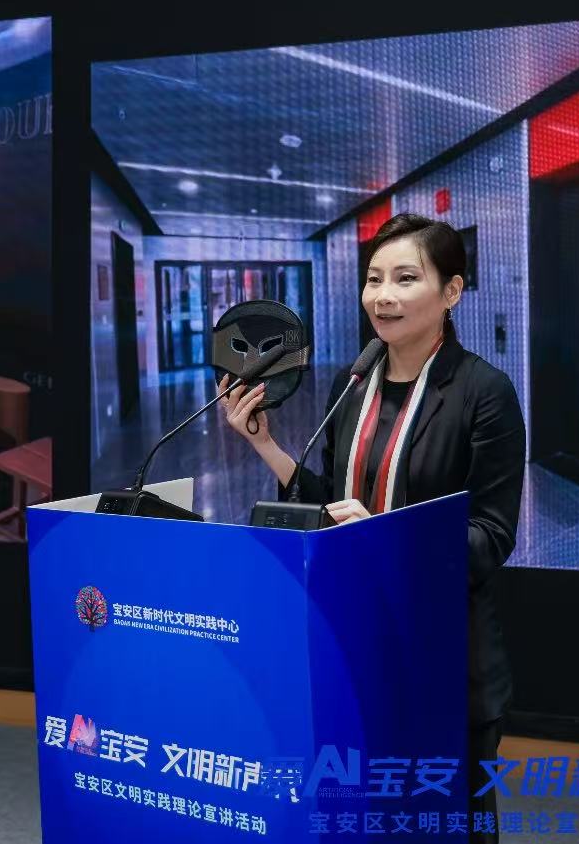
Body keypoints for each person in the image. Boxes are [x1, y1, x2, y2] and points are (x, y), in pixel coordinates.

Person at [219, 212, 524, 844]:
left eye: (405, 278)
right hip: (355, 642)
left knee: (450, 825)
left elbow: (490, 538)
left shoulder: (483, 392)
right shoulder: (352, 385)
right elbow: (332, 506)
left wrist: (386, 534)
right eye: (374, 278)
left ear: (451, 291)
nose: (382, 295)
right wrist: (265, 444)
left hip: (444, 654)